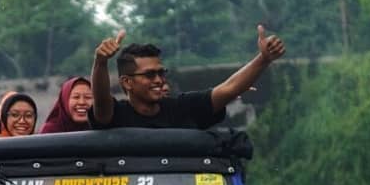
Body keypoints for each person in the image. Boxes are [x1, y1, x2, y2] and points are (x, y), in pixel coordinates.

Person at [88, 25, 285, 129]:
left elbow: (228, 88)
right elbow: (101, 100)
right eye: (149, 75)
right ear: (127, 82)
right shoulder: (115, 115)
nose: (158, 80)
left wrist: (263, 59)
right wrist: (101, 62)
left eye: (161, 72)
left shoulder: (182, 108)